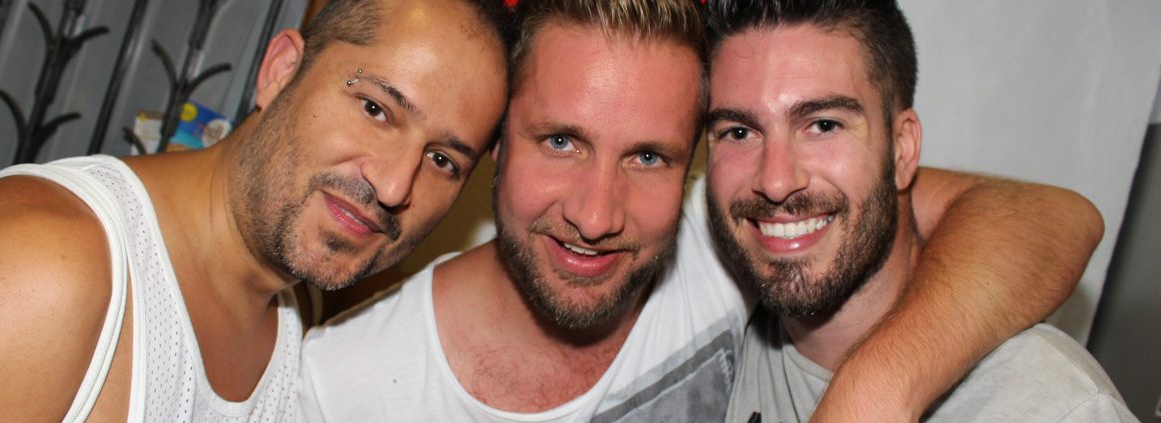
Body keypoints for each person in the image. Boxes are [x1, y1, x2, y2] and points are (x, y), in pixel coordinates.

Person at [297, 0, 1103, 421]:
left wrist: (874, 391)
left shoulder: (728, 249)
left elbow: (1046, 215)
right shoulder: (333, 386)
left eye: (649, 156)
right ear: (496, 144)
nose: (596, 214)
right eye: (562, 141)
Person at [0, 0, 510, 420]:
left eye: (442, 160)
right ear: (280, 70)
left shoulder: (300, 304)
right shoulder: (43, 269)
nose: (393, 185)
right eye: (375, 108)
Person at [702, 1, 1134, 421]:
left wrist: (873, 389)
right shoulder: (722, 332)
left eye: (824, 125)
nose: (776, 181)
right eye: (739, 132)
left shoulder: (1055, 405)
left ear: (903, 150)